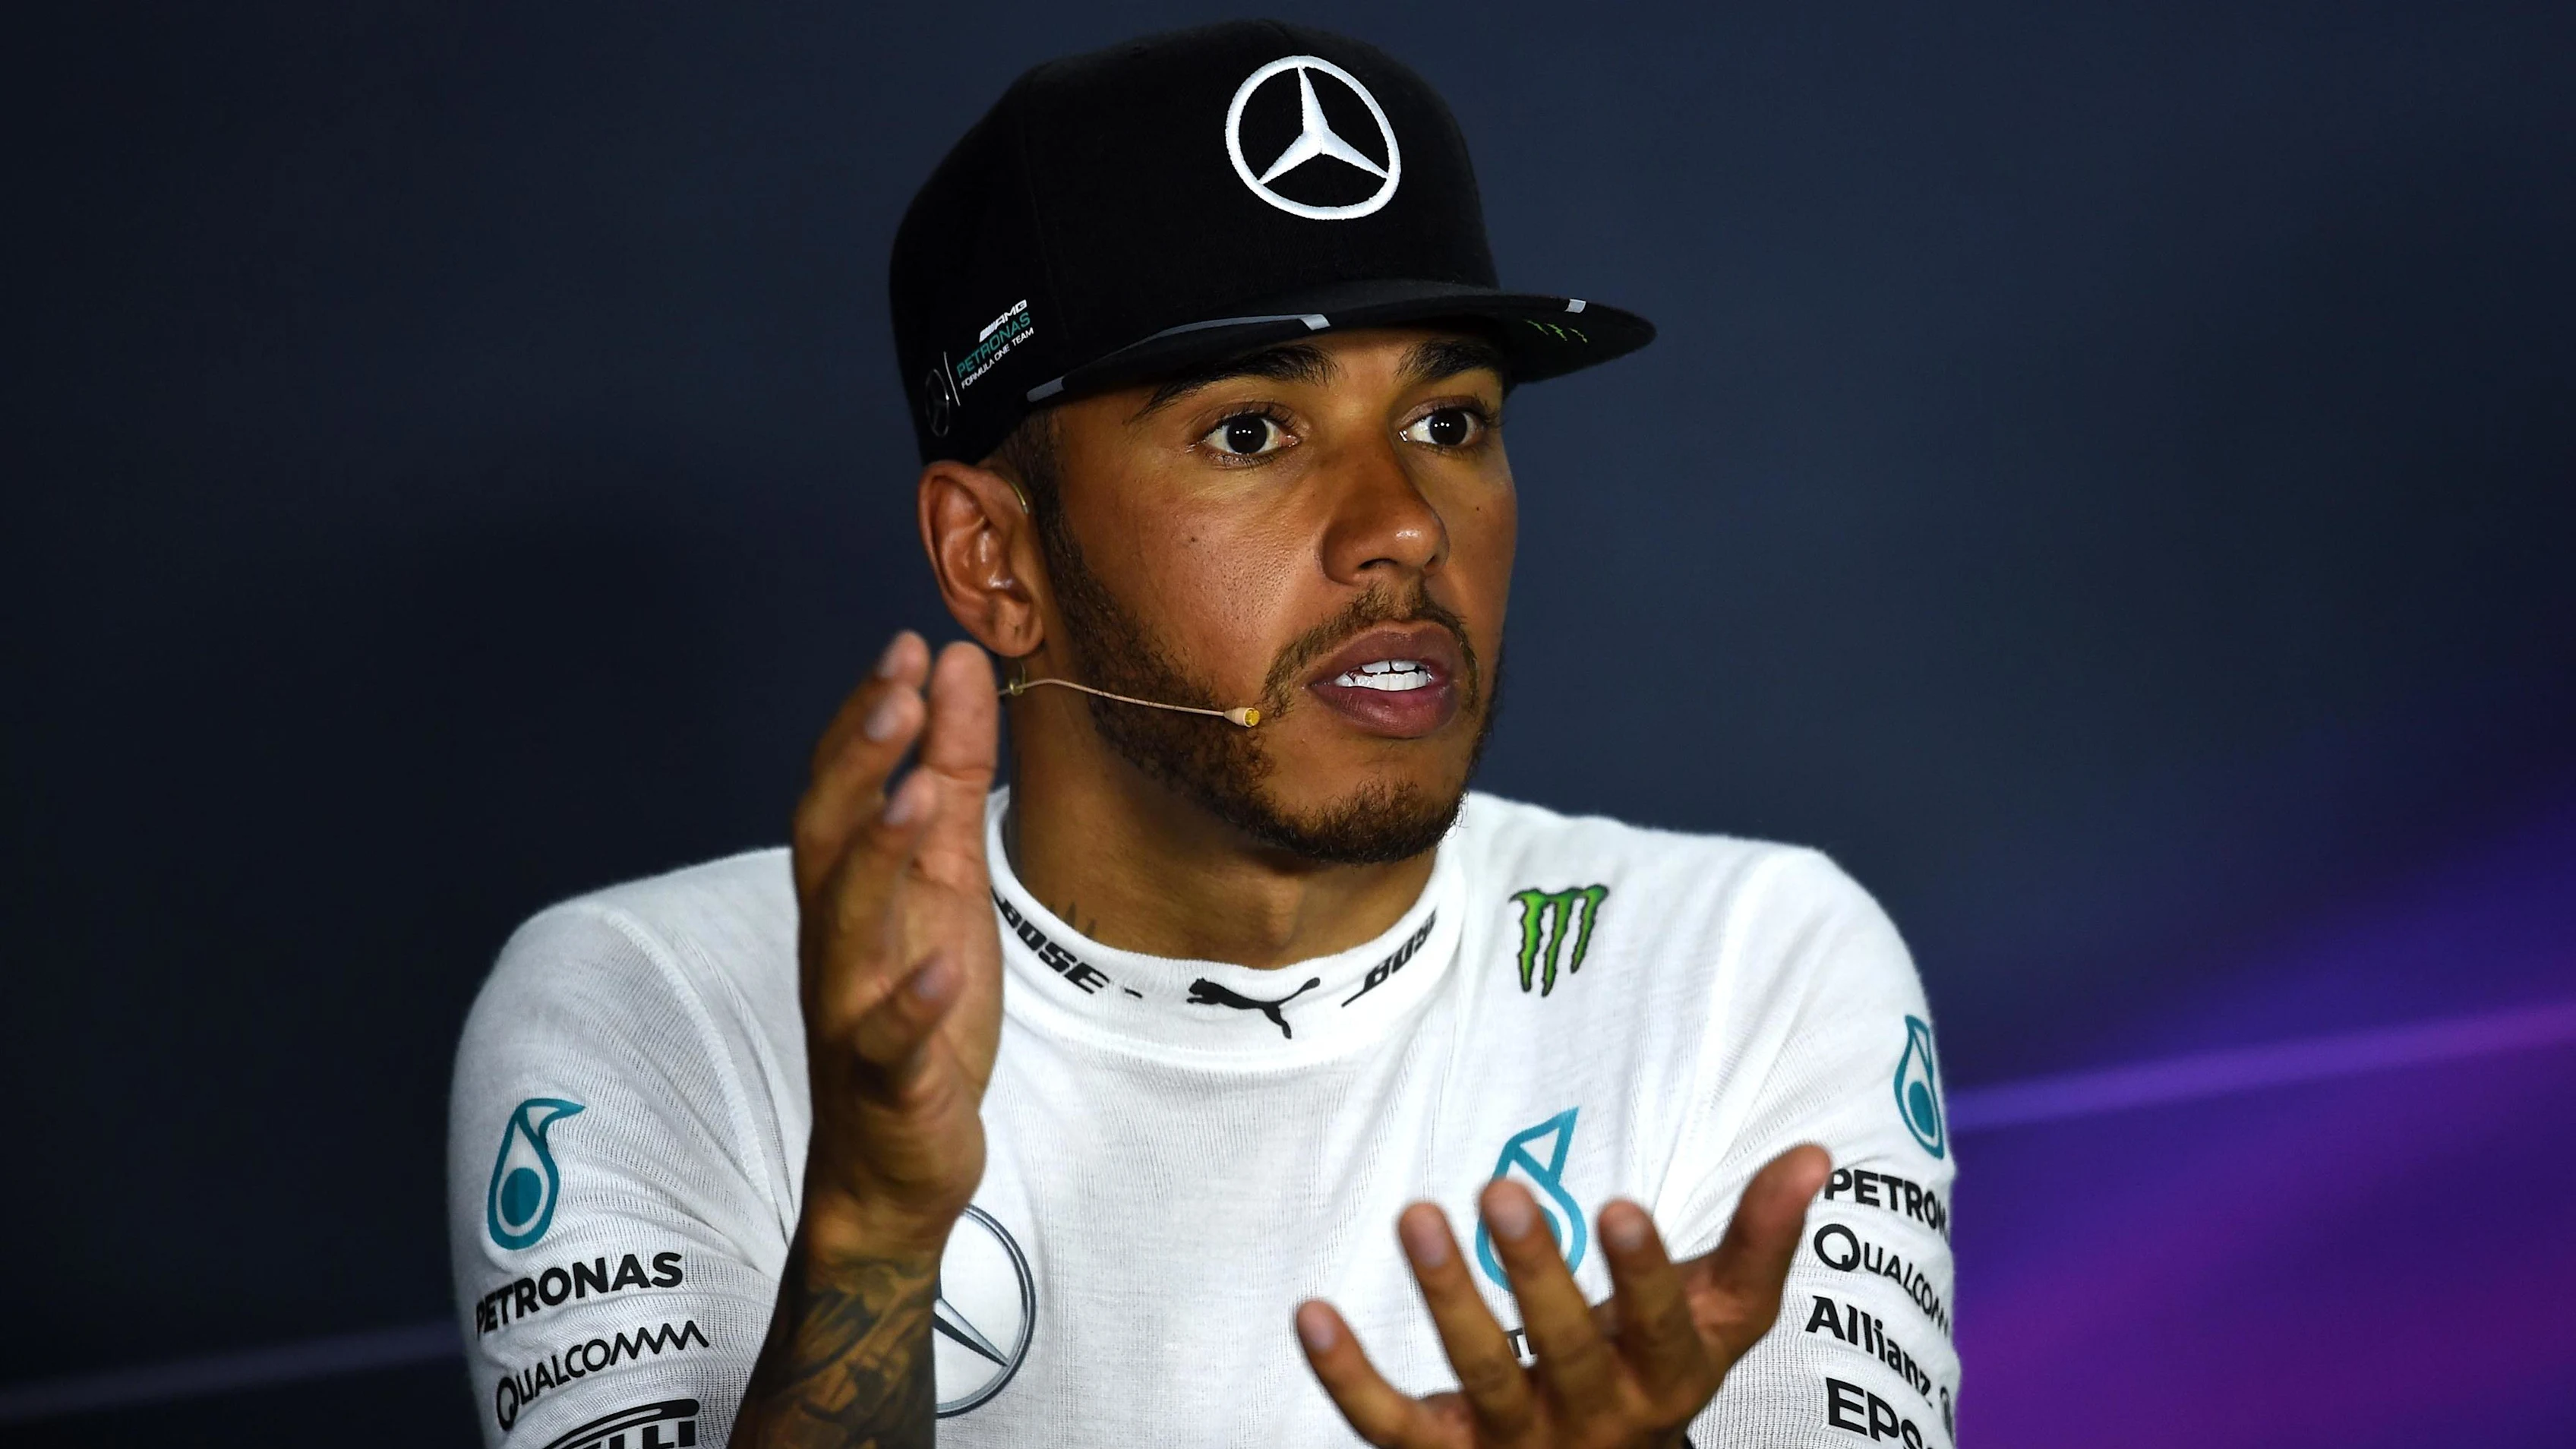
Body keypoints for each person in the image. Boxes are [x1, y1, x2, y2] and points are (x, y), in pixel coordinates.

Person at [448, 20, 1959, 1449]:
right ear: (997, 560)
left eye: (1451, 422)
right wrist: (873, 1223)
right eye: (1249, 430)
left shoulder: (1744, 963)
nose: (1401, 531)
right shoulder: (654, 1004)